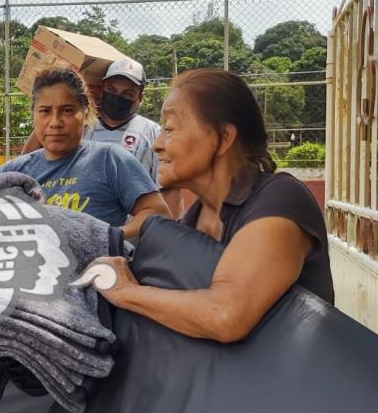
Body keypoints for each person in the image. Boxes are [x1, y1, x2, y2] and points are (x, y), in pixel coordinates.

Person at [88, 68, 334, 340]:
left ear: (223, 138)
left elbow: (226, 314)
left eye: (169, 128)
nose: (157, 144)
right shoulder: (191, 221)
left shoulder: (281, 199)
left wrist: (124, 290)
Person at [0, 66, 169, 240]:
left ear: (86, 112)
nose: (55, 122)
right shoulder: (14, 172)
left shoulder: (109, 160)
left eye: (67, 110)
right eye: (45, 111)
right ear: (33, 114)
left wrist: (110, 237)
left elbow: (158, 211)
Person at [21, 58, 183, 216]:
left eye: (128, 93)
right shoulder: (80, 126)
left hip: (133, 232)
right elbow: (29, 159)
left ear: (139, 98)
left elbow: (169, 189)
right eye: (112, 90)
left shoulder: (152, 132)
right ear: (102, 90)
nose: (118, 97)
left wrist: (164, 231)